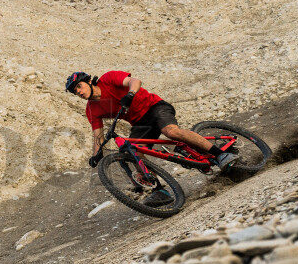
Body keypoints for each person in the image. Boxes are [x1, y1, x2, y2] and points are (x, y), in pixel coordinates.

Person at [65, 71, 237, 204]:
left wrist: (130, 94)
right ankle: (160, 191)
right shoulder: (91, 109)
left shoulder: (108, 79)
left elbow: (135, 81)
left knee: (171, 131)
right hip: (140, 123)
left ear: (89, 81)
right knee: (133, 151)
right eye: (74, 91)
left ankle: (221, 154)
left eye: (79, 86)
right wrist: (96, 155)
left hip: (155, 107)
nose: (78, 92)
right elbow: (98, 135)